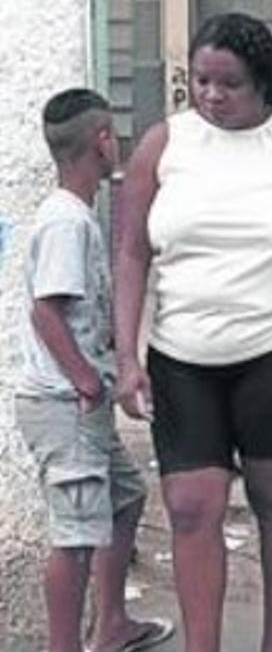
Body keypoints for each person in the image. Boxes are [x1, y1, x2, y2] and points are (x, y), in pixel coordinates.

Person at [111, 13, 272, 652]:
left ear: (263, 83)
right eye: (201, 81)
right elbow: (132, 251)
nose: (212, 96)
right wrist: (126, 355)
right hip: (182, 354)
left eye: (230, 84)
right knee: (193, 507)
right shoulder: (163, 145)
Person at [15, 88, 174, 652]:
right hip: (64, 403)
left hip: (81, 401)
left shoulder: (78, 215)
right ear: (102, 141)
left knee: (125, 498)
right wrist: (86, 380)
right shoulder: (66, 222)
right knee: (76, 535)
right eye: (115, 134)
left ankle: (111, 625)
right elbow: (46, 312)